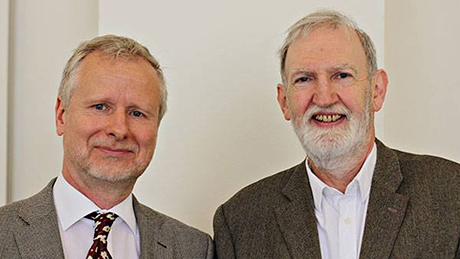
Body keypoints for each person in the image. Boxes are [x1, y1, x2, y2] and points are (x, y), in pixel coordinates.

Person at [213, 10, 460, 259]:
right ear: (284, 101)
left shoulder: (451, 194)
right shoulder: (239, 221)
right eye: (304, 79)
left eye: (342, 76)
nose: (324, 97)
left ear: (377, 91)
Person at [0, 35, 213, 259]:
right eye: (100, 107)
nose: (119, 129)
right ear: (62, 115)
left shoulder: (194, 250)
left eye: (137, 113)